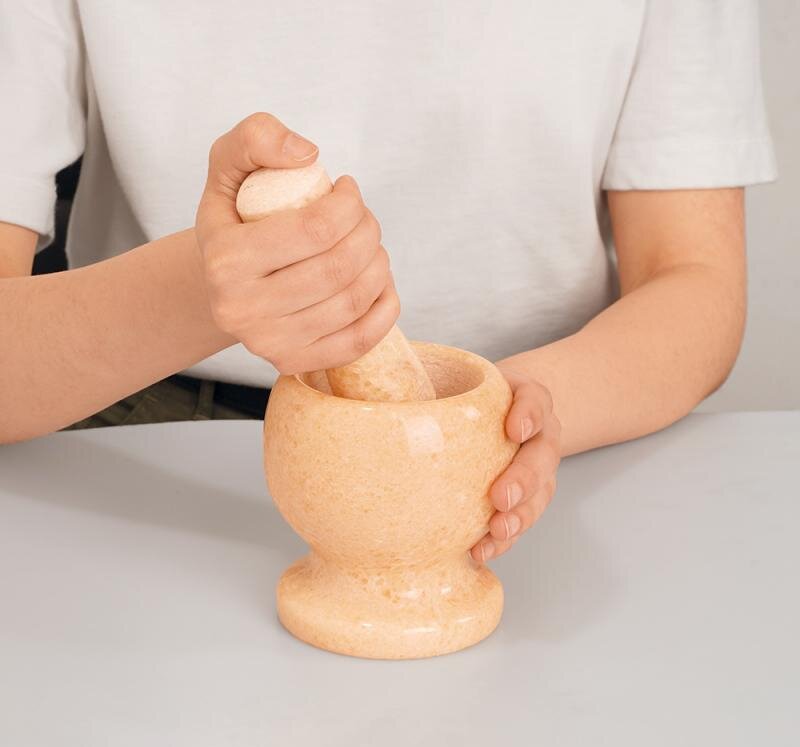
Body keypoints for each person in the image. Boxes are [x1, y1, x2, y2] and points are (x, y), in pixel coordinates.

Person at [0, 2, 776, 563]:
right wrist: (205, 291)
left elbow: (694, 280)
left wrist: (514, 417)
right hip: (149, 449)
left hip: (548, 458)